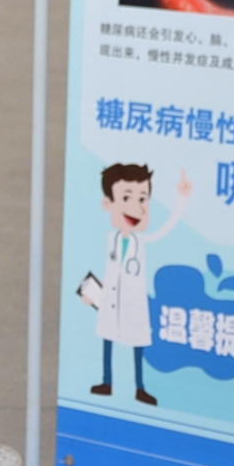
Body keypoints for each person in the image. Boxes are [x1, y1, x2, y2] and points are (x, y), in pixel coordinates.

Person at [89, 161, 191, 406]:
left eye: (143, 199)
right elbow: (106, 271)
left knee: (137, 344)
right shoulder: (111, 239)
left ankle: (140, 388)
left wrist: (181, 200)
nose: (137, 207)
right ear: (108, 204)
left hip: (133, 304)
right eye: (127, 198)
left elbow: (165, 230)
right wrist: (91, 293)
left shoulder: (141, 242)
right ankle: (107, 382)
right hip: (111, 301)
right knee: (108, 340)